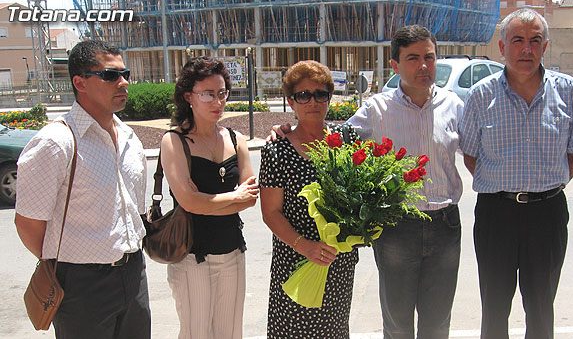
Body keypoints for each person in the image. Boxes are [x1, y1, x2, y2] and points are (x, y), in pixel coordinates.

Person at [269, 25, 463, 338]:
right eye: (413, 58)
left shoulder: (454, 106)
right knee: (397, 324)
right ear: (396, 66)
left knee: (438, 323)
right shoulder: (376, 110)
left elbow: (477, 151)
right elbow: (328, 136)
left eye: (429, 57)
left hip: (446, 226)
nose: (423, 65)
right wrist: (287, 129)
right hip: (397, 229)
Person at [458, 8, 573, 339]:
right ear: (502, 48)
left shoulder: (568, 90)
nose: (527, 49)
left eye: (535, 41)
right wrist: (507, 185)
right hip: (496, 214)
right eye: (517, 40)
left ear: (545, 46)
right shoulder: (481, 95)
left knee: (541, 304)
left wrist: (542, 186)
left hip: (547, 214)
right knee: (494, 305)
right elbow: (472, 156)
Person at [14, 40, 150, 338]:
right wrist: (73, 263)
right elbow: (27, 223)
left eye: (124, 73)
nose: (123, 82)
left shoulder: (129, 138)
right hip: (81, 283)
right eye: (110, 75)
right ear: (80, 82)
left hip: (133, 272)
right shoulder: (55, 142)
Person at [160, 56, 259, 339]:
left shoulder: (235, 138)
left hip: (232, 250)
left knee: (230, 333)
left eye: (222, 93)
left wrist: (206, 201)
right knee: (196, 332)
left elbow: (250, 198)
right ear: (189, 96)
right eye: (207, 95)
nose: (217, 102)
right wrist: (232, 196)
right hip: (192, 255)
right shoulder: (174, 141)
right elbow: (189, 203)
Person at [259, 60, 360, 338]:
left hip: (336, 262)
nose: (312, 101)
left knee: (334, 330)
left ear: (329, 97)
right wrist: (305, 247)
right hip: (295, 259)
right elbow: (270, 213)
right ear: (291, 101)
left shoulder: (347, 140)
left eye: (320, 94)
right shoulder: (277, 152)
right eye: (303, 95)